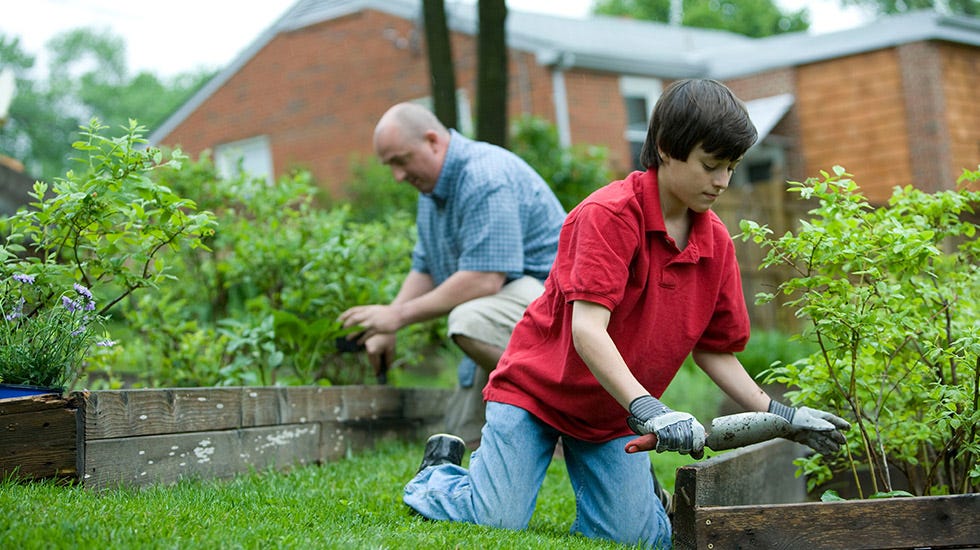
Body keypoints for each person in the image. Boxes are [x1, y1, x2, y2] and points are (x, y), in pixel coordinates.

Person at [402, 79, 851, 548]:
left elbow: (715, 352)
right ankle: (440, 474)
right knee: (495, 519)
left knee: (634, 538)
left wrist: (784, 415)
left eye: (731, 168)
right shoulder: (608, 216)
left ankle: (638, 501)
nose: (722, 181)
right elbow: (588, 331)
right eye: (711, 165)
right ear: (664, 149)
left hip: (613, 415)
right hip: (536, 395)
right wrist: (651, 410)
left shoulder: (715, 243)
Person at [339, 102, 566, 448]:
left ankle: (564, 409)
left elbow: (484, 279)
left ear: (433, 141)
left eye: (400, 161)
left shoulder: (484, 176)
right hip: (508, 314)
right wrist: (385, 325)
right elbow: (426, 266)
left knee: (469, 320)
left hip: (558, 313)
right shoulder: (432, 191)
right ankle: (533, 420)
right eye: (390, 166)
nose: (397, 176)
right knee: (459, 436)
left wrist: (397, 316)